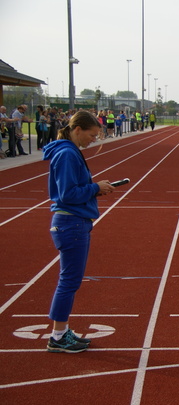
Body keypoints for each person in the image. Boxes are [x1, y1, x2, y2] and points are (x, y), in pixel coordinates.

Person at [42, 110, 115, 353]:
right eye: (92, 135)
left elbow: (72, 189)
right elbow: (67, 194)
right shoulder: (66, 154)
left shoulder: (69, 152)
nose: (94, 139)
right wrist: (95, 188)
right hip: (70, 223)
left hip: (74, 222)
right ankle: (58, 336)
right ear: (77, 130)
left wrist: (95, 188)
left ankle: (61, 332)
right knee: (69, 281)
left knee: (70, 281)